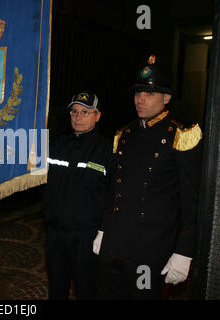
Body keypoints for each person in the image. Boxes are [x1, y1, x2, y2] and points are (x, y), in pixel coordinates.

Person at [94, 55, 203, 299]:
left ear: (166, 98)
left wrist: (184, 252)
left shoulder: (180, 135)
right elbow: (112, 190)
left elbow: (190, 200)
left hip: (150, 251)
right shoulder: (125, 133)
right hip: (114, 245)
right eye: (137, 93)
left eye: (149, 93)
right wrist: (103, 230)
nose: (140, 99)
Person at [43, 92, 113, 299]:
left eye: (85, 112)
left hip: (86, 237)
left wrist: (104, 230)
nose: (78, 117)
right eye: (74, 112)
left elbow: (113, 194)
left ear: (97, 116)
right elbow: (34, 176)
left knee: (86, 290)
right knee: (56, 289)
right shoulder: (56, 144)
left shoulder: (107, 150)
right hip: (55, 234)